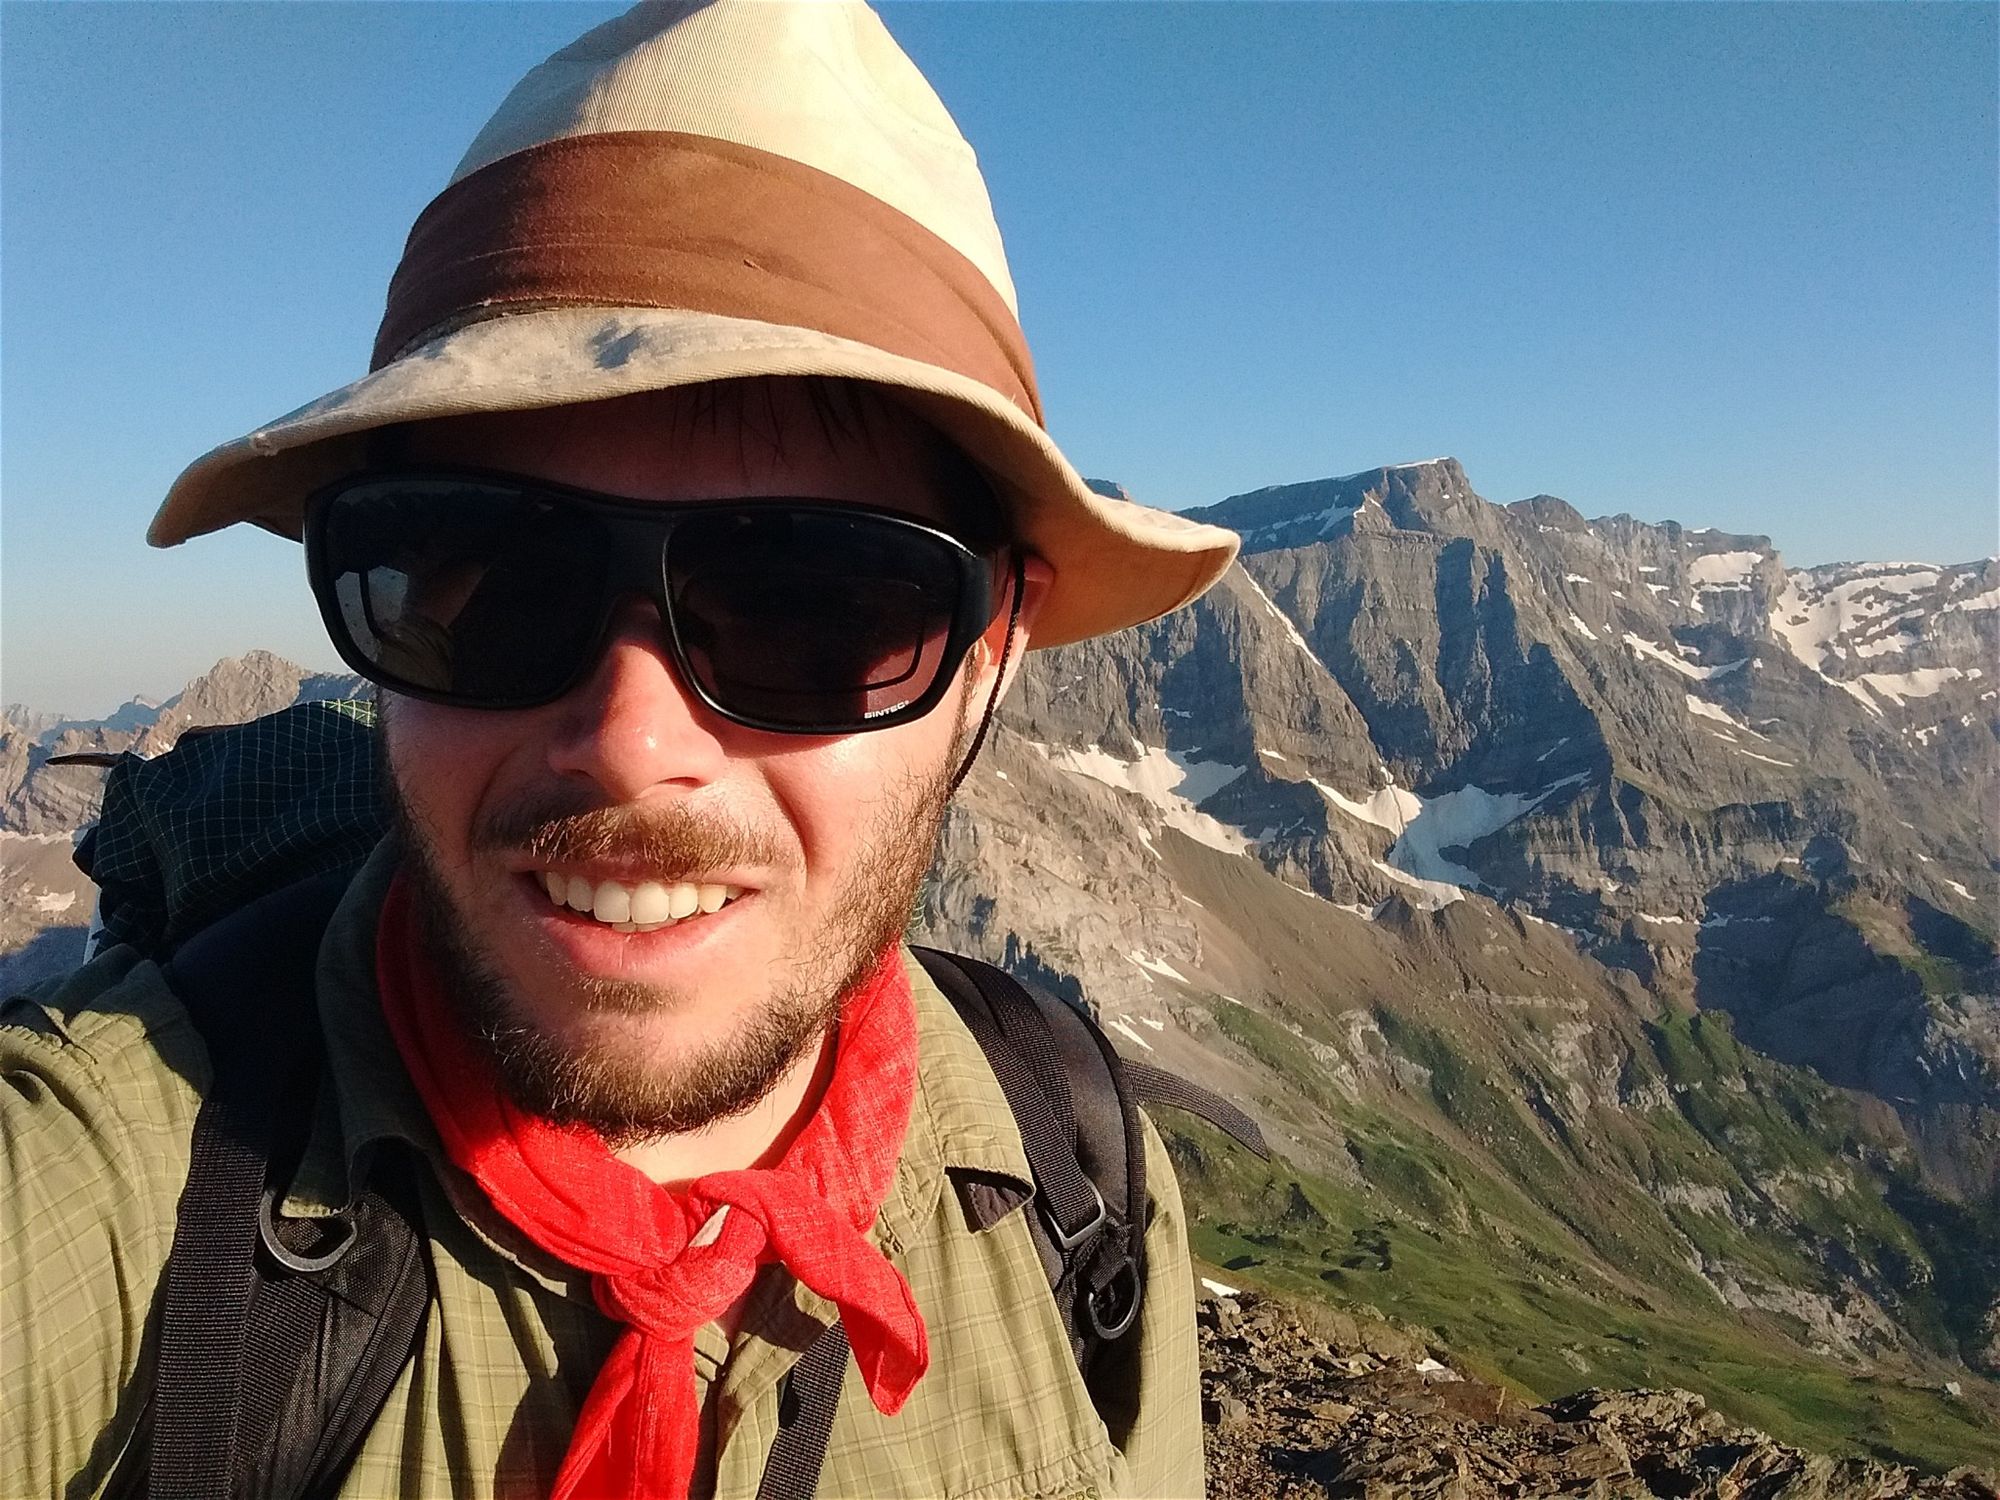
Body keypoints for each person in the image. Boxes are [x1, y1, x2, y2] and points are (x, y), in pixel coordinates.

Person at [2, 4, 1240, 1497]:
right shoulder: (105, 1199)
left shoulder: (1082, 1193)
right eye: (479, 582)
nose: (630, 743)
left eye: (810, 609)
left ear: (988, 665)